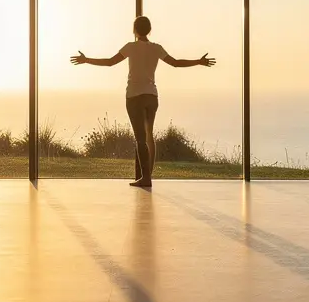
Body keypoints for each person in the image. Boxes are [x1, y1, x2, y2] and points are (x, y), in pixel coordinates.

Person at [71, 16, 215, 187]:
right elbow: (175, 63)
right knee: (149, 136)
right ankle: (148, 176)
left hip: (134, 96)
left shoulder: (130, 47)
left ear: (135, 30)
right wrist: (198, 61)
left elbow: (110, 62)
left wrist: (86, 60)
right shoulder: (156, 48)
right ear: (149, 30)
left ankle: (146, 178)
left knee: (140, 138)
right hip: (151, 96)